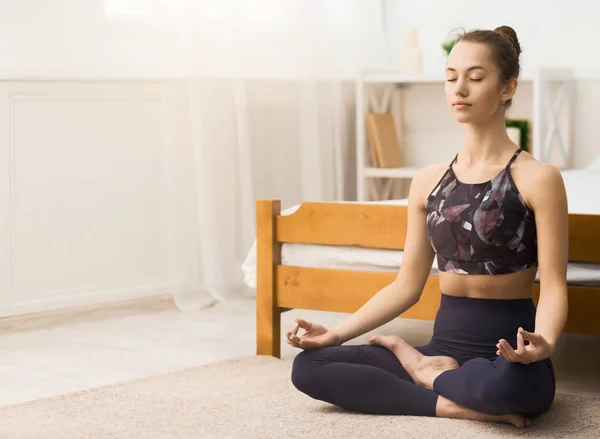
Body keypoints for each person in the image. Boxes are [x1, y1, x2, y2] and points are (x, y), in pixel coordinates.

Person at [287, 25, 568, 429]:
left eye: (475, 77)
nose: (460, 89)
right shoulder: (428, 181)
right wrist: (334, 335)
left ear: (507, 88)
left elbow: (555, 283)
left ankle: (428, 374)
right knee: (310, 367)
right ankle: (451, 402)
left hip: (506, 354)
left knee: (518, 392)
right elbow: (406, 285)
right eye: (451, 77)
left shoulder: (538, 177)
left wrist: (545, 345)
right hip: (443, 344)